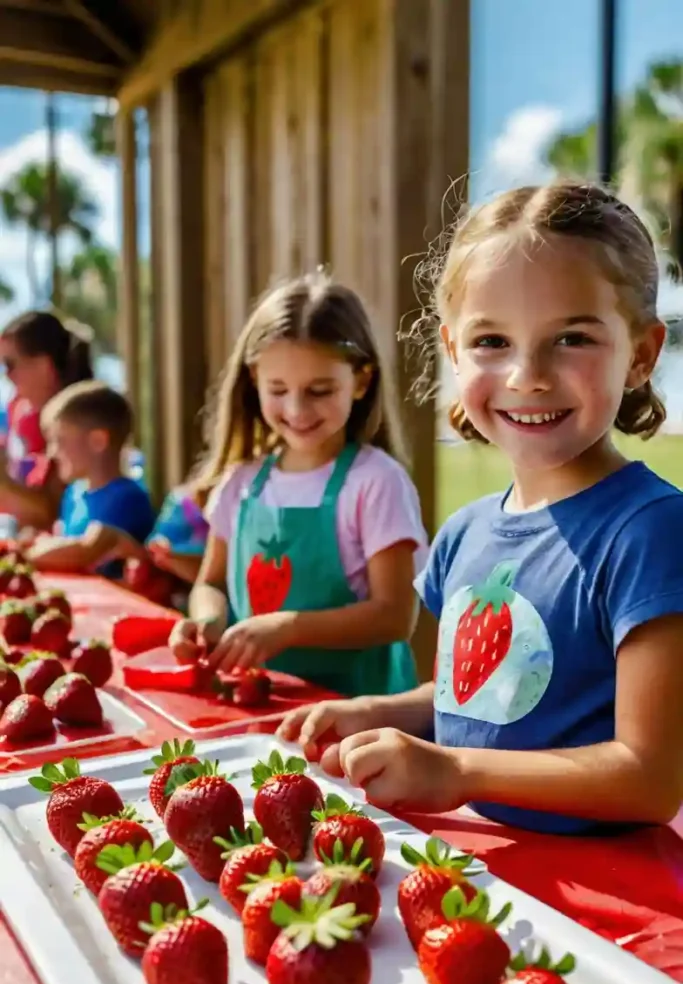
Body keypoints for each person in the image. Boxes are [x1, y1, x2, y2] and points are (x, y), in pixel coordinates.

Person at [279, 181, 683, 836]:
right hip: (484, 873)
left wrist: (456, 772)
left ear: (639, 354)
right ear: (451, 349)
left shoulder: (651, 532)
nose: (527, 375)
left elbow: (647, 777)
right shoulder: (464, 532)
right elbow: (474, 705)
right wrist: (379, 713)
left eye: (571, 338)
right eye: (492, 341)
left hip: (605, 909)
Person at [169, 270, 428, 696]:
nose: (296, 408)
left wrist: (286, 628)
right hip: (261, 715)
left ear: (361, 380)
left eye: (319, 390)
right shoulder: (242, 483)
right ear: (254, 379)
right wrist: (206, 622)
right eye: (278, 389)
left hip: (358, 724)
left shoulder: (376, 483)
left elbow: (396, 615)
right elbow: (210, 583)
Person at [26, 381, 156, 576]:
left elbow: (83, 552)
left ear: (98, 441)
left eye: (59, 440)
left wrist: (22, 555)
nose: (52, 453)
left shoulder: (126, 497)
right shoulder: (73, 494)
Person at [0, 311, 93, 529]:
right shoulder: (22, 415)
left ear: (44, 365)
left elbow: (51, 514)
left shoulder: (80, 424)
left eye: (10, 364)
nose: (7, 376)